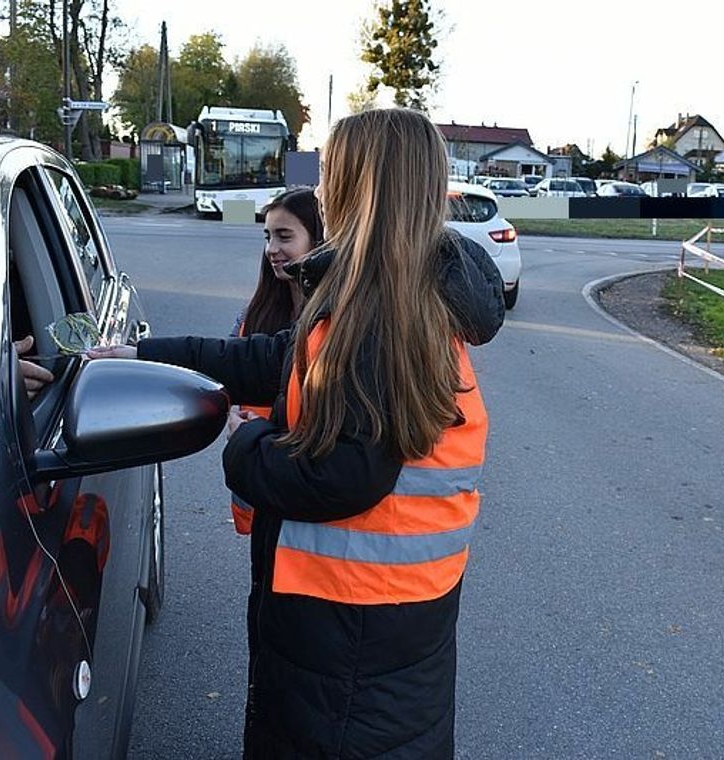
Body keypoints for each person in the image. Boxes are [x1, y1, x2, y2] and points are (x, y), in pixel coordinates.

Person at [89, 108, 504, 757]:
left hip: (346, 655)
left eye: (332, 169)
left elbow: (336, 476)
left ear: (355, 186)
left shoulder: (376, 322)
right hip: (378, 641)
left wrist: (242, 443)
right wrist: (139, 355)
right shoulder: (395, 299)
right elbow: (267, 358)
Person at [228, 188, 324, 535]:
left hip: (306, 485)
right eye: (268, 237)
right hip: (259, 477)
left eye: (285, 236)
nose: (271, 250)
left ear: (320, 240)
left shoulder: (337, 320)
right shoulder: (254, 314)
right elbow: (231, 373)